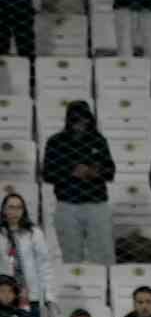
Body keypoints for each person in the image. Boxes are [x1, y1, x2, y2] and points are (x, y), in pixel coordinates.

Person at [40, 100, 115, 265]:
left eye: (85, 118)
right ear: (68, 119)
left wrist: (94, 172)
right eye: (76, 119)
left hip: (96, 204)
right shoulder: (55, 141)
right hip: (67, 205)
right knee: (71, 258)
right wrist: (71, 172)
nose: (81, 123)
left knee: (103, 257)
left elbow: (110, 172)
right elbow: (47, 174)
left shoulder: (98, 140)